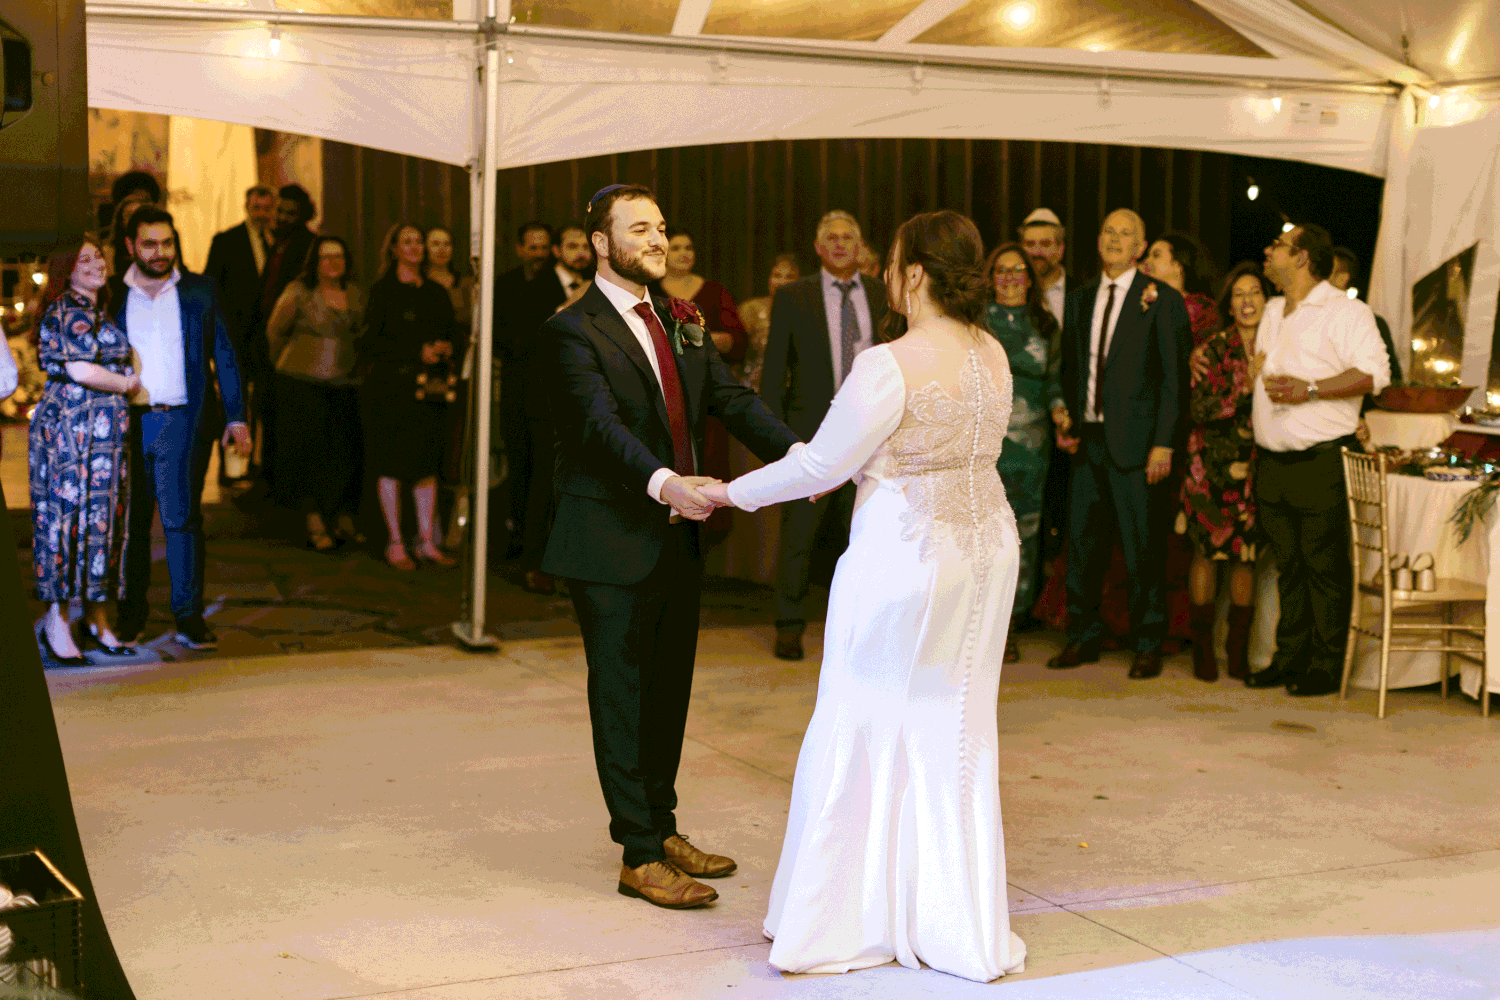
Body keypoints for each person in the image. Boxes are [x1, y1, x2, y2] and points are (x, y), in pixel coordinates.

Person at [701, 209, 1026, 983]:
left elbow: (819, 466)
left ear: (915, 272)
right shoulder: (995, 352)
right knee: (954, 724)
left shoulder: (891, 363)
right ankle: (951, 920)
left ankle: (845, 916)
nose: (885, 273)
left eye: (894, 262)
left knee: (864, 715)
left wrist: (728, 492)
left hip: (906, 556)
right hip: (987, 550)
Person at [534, 184, 800, 911]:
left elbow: (730, 398)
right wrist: (664, 483)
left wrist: (805, 459)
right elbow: (597, 428)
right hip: (609, 537)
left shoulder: (679, 318)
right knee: (621, 693)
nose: (657, 239)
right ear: (599, 241)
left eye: (661, 227)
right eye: (640, 229)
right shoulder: (571, 330)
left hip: (678, 536)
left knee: (668, 690)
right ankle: (638, 855)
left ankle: (662, 825)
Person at [1247, 223, 1389, 697]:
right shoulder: (1271, 311)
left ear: (1303, 257)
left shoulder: (1346, 312)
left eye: (1279, 246)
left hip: (1322, 459)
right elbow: (1264, 369)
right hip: (1272, 459)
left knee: (1324, 566)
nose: (1268, 252)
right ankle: (1289, 658)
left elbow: (1375, 375)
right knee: (1288, 564)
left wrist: (1309, 390)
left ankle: (1327, 667)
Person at [1048, 208, 1191, 679]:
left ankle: (1149, 642)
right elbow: (1071, 364)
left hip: (1138, 445)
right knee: (1083, 546)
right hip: (1087, 440)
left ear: (1139, 247)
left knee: (1141, 549)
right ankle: (1082, 636)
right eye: (1107, 230)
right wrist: (1066, 411)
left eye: (1125, 233)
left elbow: (1174, 380)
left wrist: (1164, 443)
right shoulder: (1081, 298)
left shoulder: (1162, 301)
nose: (1114, 238)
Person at [113, 207, 251, 650]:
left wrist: (236, 416)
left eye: (167, 243)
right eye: (150, 244)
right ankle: (131, 617)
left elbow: (225, 355)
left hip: (184, 421)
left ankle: (189, 617)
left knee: (183, 521)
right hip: (127, 423)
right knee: (131, 526)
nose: (160, 252)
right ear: (132, 247)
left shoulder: (200, 290)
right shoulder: (111, 296)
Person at [759, 210, 887, 660]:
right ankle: (789, 626)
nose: (838, 245)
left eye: (847, 238)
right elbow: (774, 372)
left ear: (860, 246)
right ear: (818, 247)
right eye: (829, 238)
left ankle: (865, 630)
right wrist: (776, 441)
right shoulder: (794, 296)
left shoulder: (882, 293)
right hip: (811, 435)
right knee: (800, 534)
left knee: (870, 533)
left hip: (876, 433)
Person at [29, 238, 140, 663]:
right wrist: (126, 383)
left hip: (103, 439)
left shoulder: (98, 309)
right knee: (63, 520)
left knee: (101, 521)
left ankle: (96, 619)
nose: (96, 263)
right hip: (72, 434)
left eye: (99, 255)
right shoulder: (65, 309)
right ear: (66, 269)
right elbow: (78, 368)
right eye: (84, 259)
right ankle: (57, 622)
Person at [1179, 262, 1272, 681]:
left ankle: (1237, 652)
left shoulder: (1283, 345)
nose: (1247, 300)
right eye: (1238, 294)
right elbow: (1199, 408)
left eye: (1254, 292)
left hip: (1258, 467)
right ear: (1229, 304)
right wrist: (1245, 390)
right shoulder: (1214, 348)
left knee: (1245, 559)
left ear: (1268, 301)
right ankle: (1202, 650)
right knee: (1206, 554)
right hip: (1210, 466)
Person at [362, 223, 460, 571]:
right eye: (408, 242)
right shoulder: (382, 291)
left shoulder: (435, 291)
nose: (416, 247)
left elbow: (450, 330)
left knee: (427, 464)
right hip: (392, 388)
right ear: (394, 249)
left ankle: (426, 540)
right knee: (392, 464)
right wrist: (415, 350)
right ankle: (395, 541)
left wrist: (445, 347)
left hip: (429, 389)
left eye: (419, 242)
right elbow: (372, 341)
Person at [265, 235, 366, 551]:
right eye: (326, 257)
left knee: (342, 452)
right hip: (302, 381)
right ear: (315, 262)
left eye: (339, 256)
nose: (334, 263)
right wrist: (289, 363)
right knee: (309, 453)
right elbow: (274, 332)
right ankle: (314, 519)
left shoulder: (356, 293)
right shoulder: (298, 292)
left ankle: (338, 514)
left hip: (346, 382)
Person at [985, 242, 1059, 663]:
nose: (1010, 278)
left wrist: (1063, 413)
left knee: (1022, 537)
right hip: (981, 449)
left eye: (1018, 271)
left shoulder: (1045, 325)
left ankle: (1010, 625)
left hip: (1032, 451)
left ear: (1030, 280)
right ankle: (977, 626)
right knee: (979, 536)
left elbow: (1055, 382)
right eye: (1002, 270)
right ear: (990, 277)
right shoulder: (974, 323)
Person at [656, 227, 749, 543]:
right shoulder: (648, 289)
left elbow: (738, 340)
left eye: (689, 247)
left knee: (707, 460)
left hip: (705, 394)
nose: (683, 253)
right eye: (676, 247)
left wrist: (704, 339)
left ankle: (705, 533)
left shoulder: (713, 291)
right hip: (659, 392)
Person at [494, 221, 564, 562]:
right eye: (531, 248)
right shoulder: (504, 284)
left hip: (548, 392)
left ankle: (539, 544)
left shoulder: (557, 284)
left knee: (544, 469)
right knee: (517, 463)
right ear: (520, 250)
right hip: (515, 387)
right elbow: (496, 335)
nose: (537, 255)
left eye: (542, 247)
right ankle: (518, 535)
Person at [202, 185, 278, 492]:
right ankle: (231, 470)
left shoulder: (278, 244)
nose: (261, 214)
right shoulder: (226, 241)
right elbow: (211, 284)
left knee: (266, 404)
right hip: (234, 335)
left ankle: (261, 466)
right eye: (256, 208)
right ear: (247, 208)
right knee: (234, 403)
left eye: (266, 208)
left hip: (269, 339)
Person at [254, 183, 320, 488]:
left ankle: (281, 481)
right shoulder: (278, 242)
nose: (281, 217)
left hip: (291, 342)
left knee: (284, 416)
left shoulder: (307, 245)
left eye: (289, 213)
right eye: (279, 210)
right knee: (267, 411)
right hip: (270, 339)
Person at [1142, 231, 1221, 346]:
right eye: (1148, 256)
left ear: (1178, 265)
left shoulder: (1203, 311)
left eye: (1156, 255)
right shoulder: (1143, 303)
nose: (1146, 262)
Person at [736, 253, 800, 392]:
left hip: (794, 394)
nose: (781, 282)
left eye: (789, 277)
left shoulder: (807, 312)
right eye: (777, 275)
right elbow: (735, 355)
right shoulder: (751, 309)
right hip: (752, 393)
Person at [1020, 208, 1067, 327]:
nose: (1036, 252)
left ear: (1060, 250)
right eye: (1030, 244)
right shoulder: (1012, 290)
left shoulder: (1080, 295)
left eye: (1045, 244)